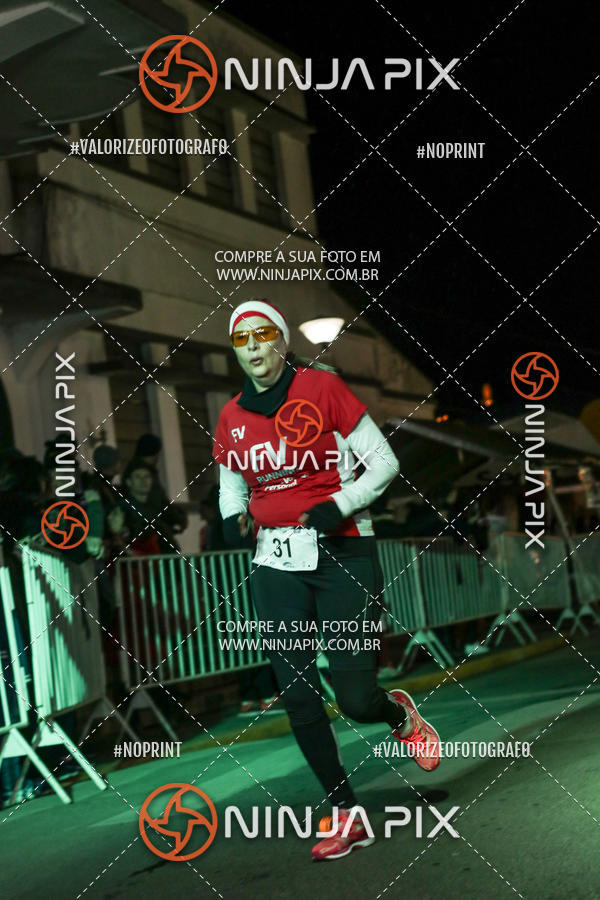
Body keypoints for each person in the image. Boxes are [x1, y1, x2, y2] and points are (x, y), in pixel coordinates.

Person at [213, 299, 441, 861]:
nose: (254, 347)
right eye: (242, 339)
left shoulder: (322, 389)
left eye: (263, 335)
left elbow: (384, 462)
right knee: (298, 695)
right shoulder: (231, 416)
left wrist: (338, 505)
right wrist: (232, 517)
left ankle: (398, 714)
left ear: (281, 341)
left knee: (356, 698)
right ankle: (345, 813)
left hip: (343, 554)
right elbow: (230, 486)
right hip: (275, 564)